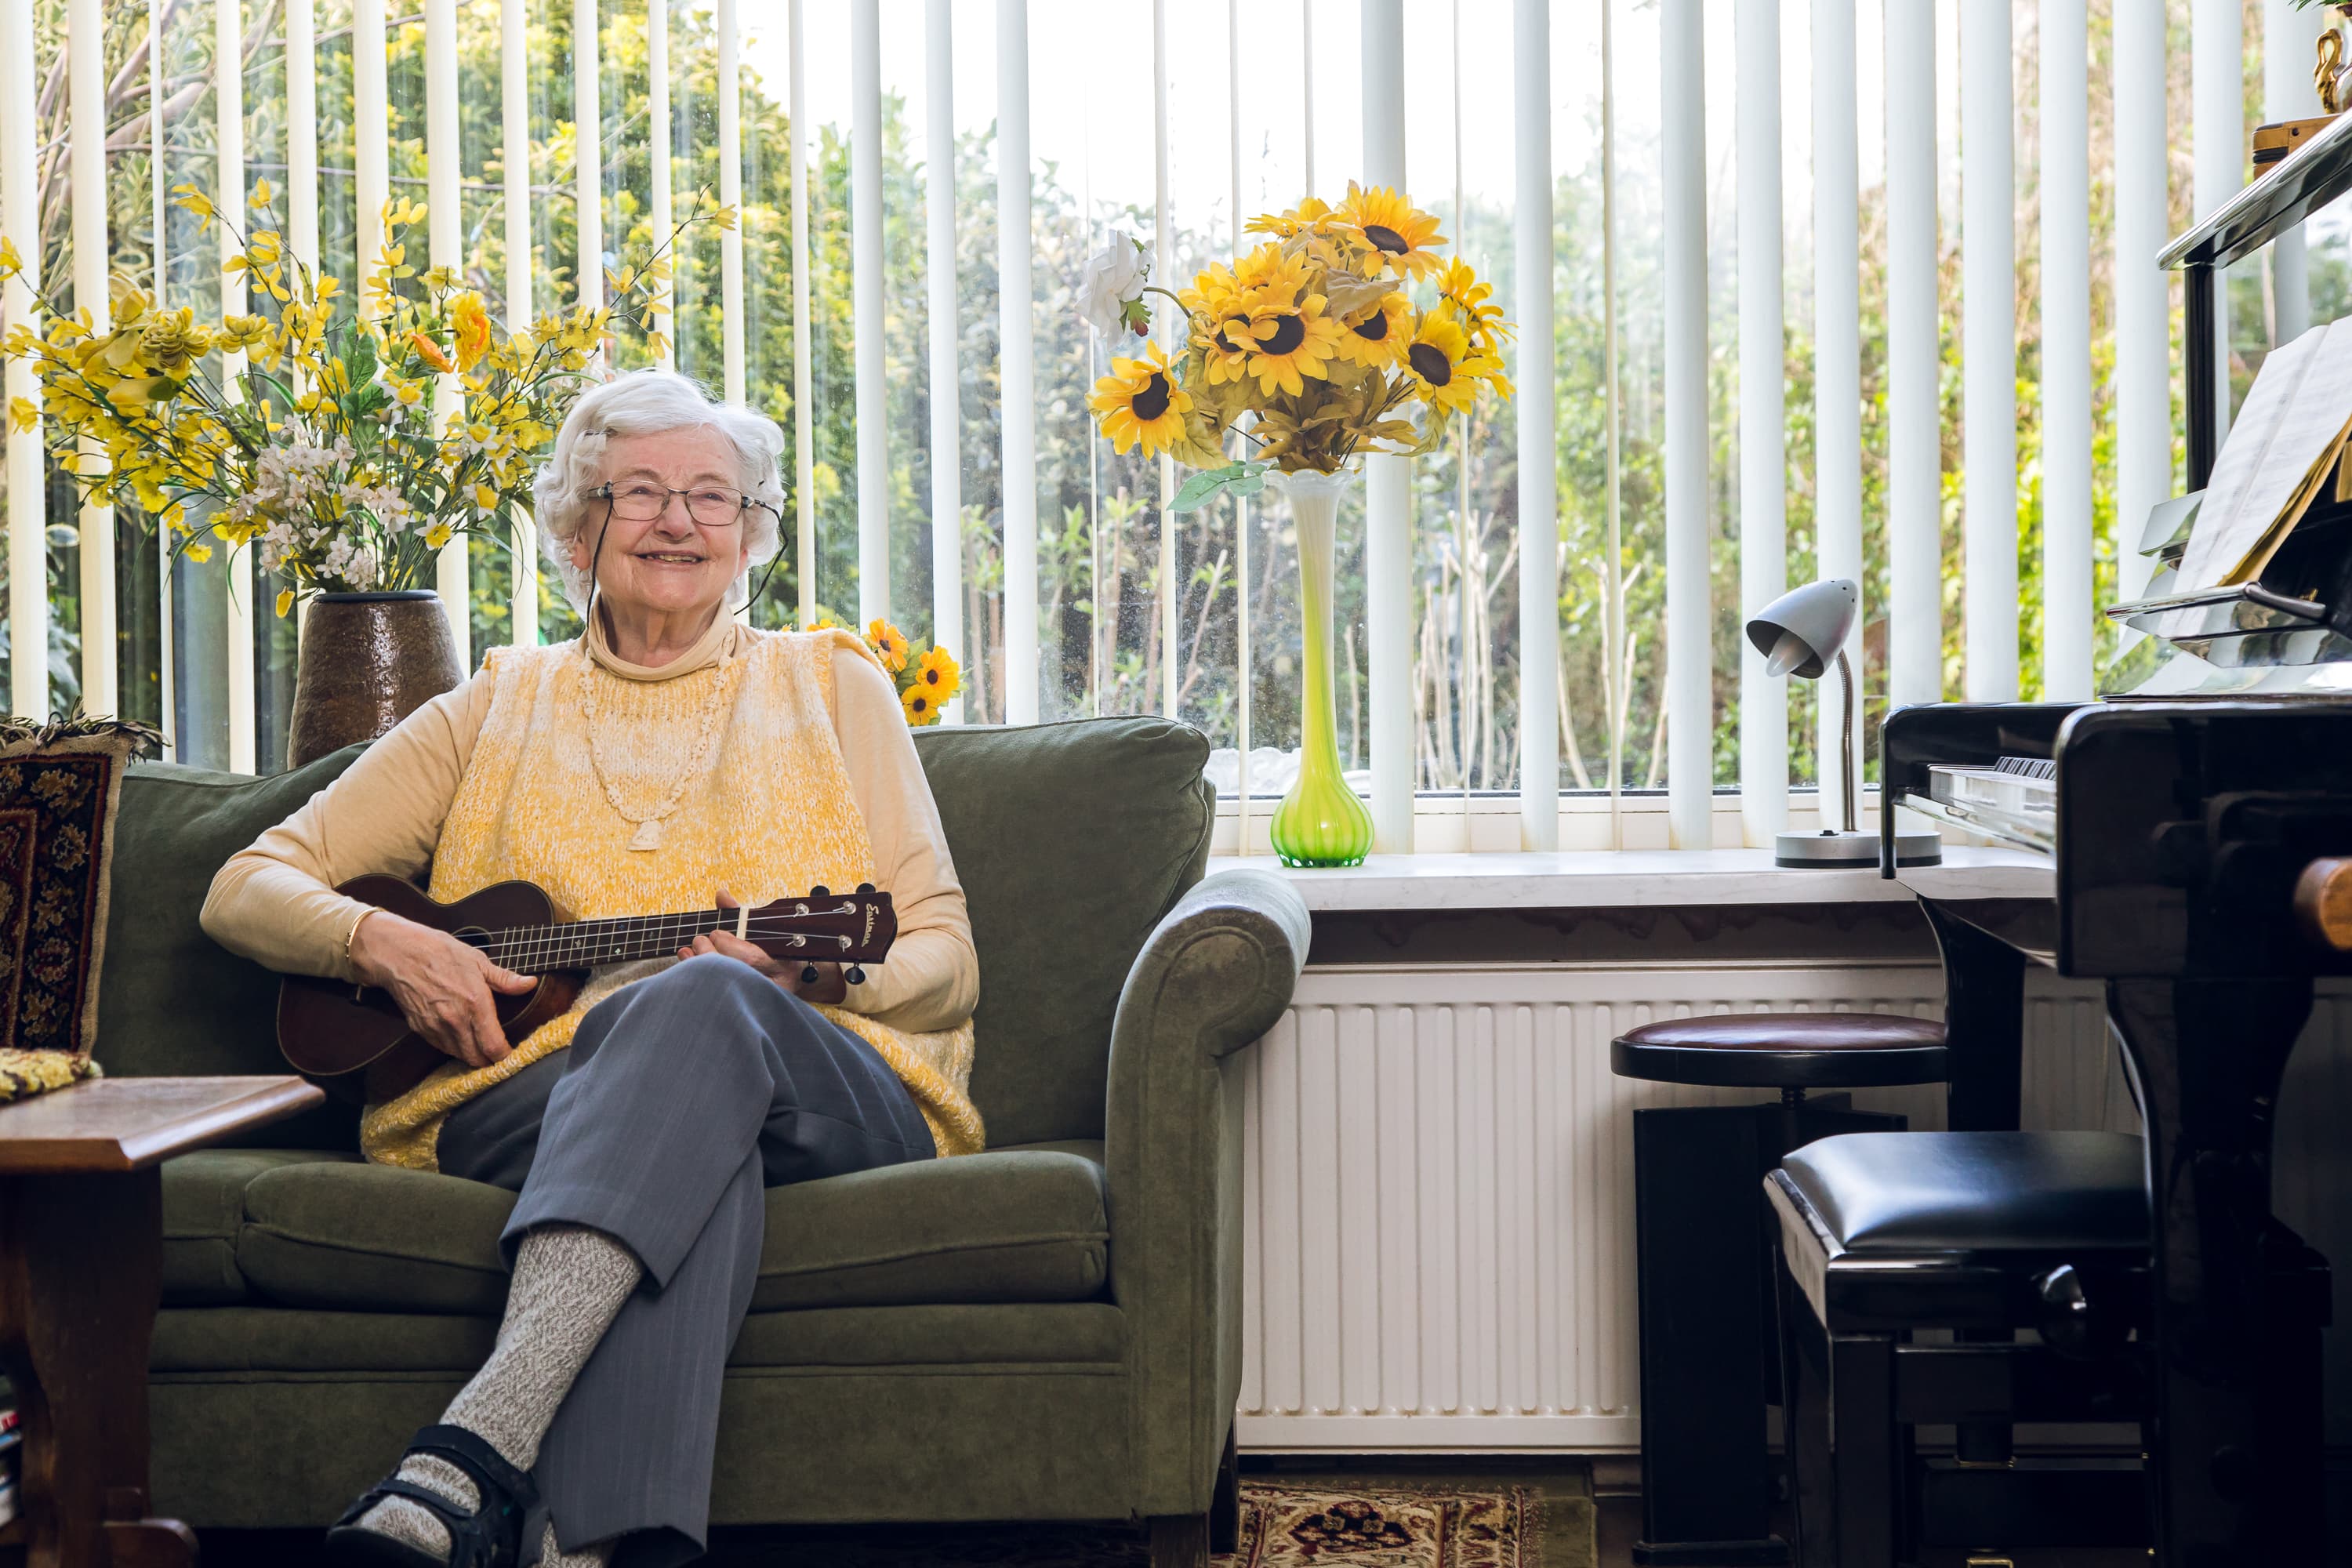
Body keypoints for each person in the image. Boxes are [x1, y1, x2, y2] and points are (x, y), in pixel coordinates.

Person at [201, 368, 982, 1568]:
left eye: (713, 498)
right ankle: (589, 1548)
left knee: (705, 996)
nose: (681, 520)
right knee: (691, 1156)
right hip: (529, 1100)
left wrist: (828, 980)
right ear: (579, 527)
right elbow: (245, 884)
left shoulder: (831, 685)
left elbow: (945, 957)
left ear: (748, 532)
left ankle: (470, 1453)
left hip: (829, 1088)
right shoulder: (494, 705)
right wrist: (384, 942)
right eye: (644, 494)